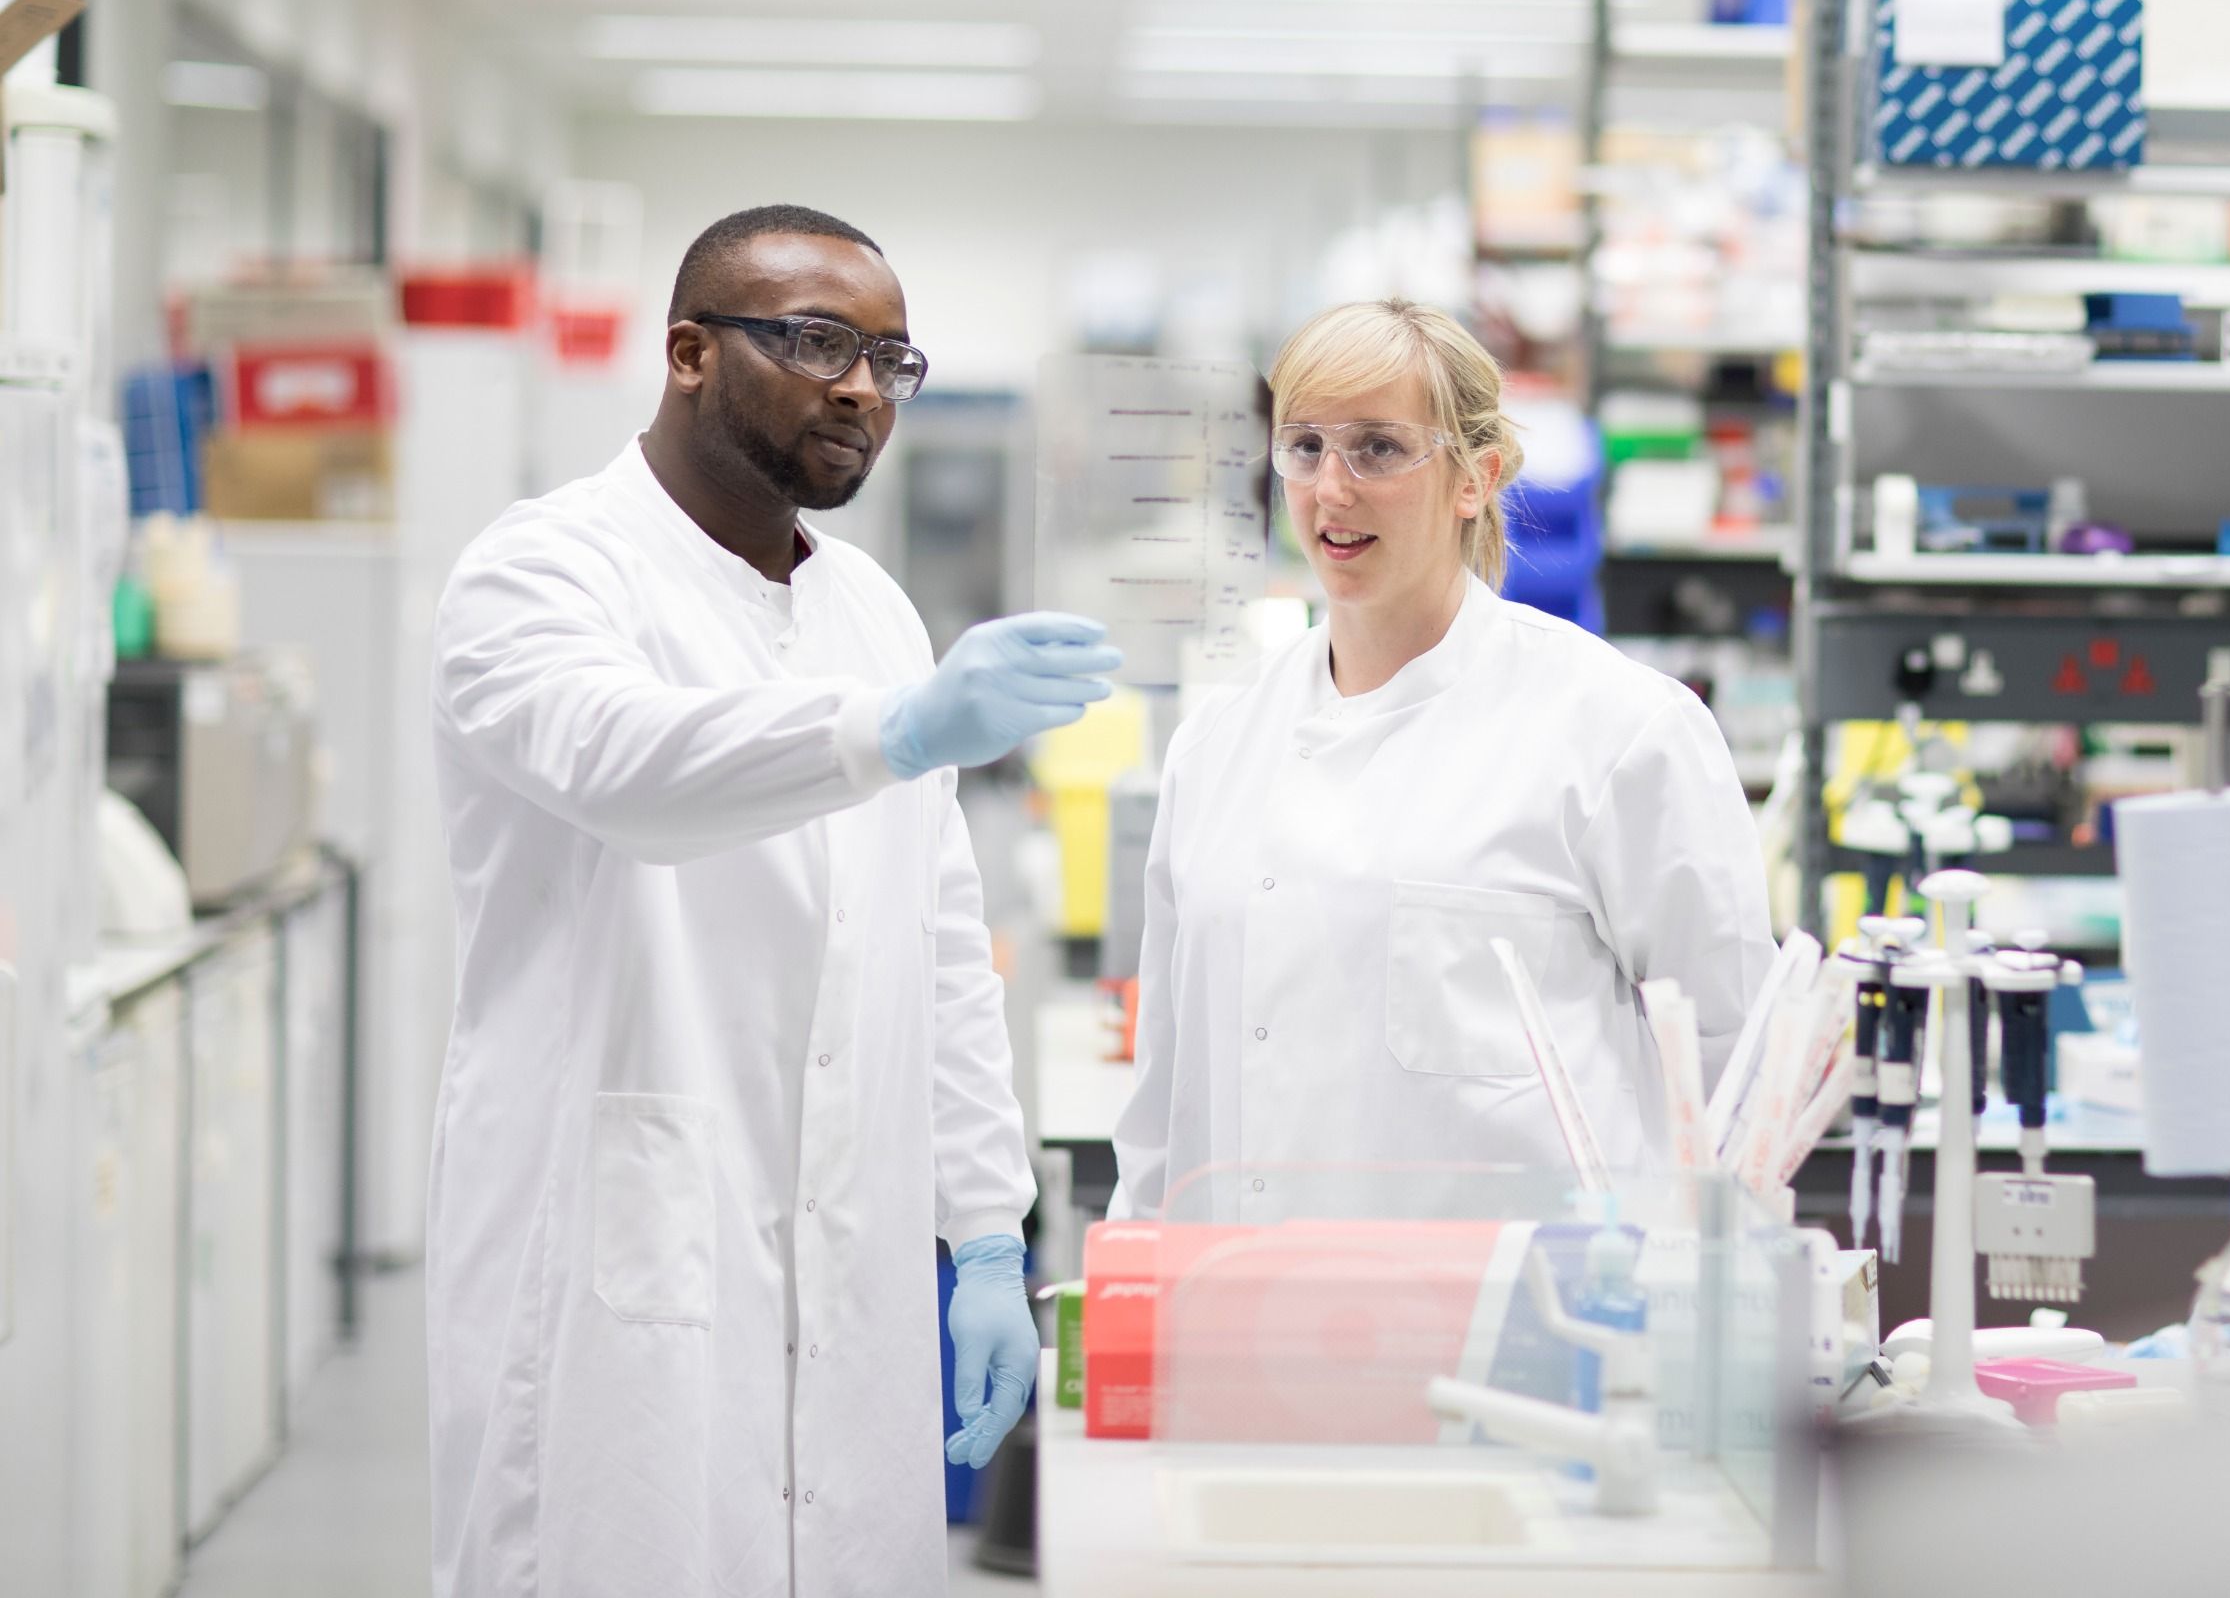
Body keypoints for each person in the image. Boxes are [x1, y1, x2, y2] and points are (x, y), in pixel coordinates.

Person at [426, 204, 1120, 1597]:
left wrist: (991, 1227)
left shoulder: (869, 611)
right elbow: (628, 768)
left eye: (890, 358)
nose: (862, 387)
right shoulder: (542, 571)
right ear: (688, 351)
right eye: (817, 342)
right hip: (612, 1248)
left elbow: (937, 947)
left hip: (845, 1257)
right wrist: (896, 732)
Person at [1111, 297, 1773, 1222]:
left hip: (1522, 1336)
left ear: (1477, 475)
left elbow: (1738, 1072)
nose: (1331, 490)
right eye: (1304, 447)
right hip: (1247, 1324)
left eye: (1378, 448)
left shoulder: (1619, 730)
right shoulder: (1218, 746)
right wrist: (1138, 1298)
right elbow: (1165, 1096)